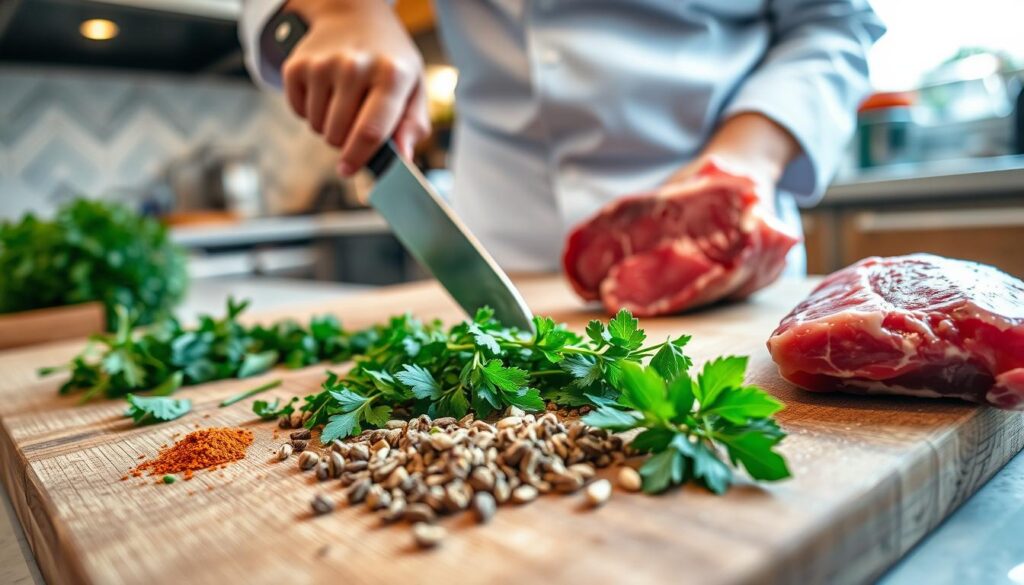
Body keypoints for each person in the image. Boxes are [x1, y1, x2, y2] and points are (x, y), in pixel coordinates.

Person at [239, 0, 884, 273]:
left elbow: (832, 22)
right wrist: (344, 10)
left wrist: (743, 162)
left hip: (722, 229)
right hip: (509, 240)